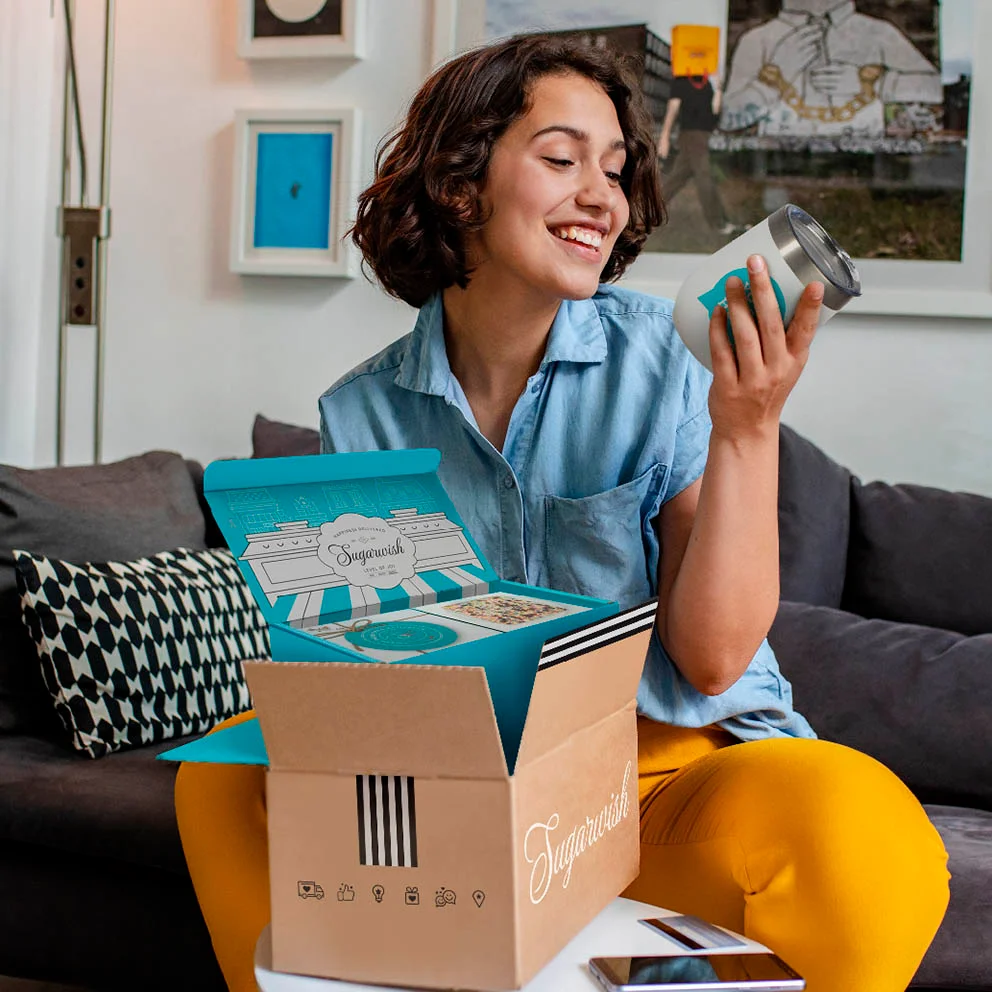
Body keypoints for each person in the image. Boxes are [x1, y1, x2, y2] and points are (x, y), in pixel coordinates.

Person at [175, 34, 949, 992]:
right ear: (461, 184)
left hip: (665, 785)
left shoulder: (668, 362)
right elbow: (375, 679)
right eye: (562, 158)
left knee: (856, 821)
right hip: (475, 799)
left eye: (615, 170)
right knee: (217, 783)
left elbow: (712, 659)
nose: (604, 195)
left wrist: (747, 430)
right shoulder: (363, 411)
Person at [721, 0, 942, 139]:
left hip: (867, 169)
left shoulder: (879, 34)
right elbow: (729, 118)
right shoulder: (757, 41)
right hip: (778, 170)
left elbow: (934, 89)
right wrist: (778, 72)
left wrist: (870, 82)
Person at [657, 72, 735, 236]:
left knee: (676, 179)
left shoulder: (707, 82)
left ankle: (647, 214)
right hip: (691, 135)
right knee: (704, 177)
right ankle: (718, 223)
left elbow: (714, 112)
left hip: (703, 136)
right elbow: (673, 110)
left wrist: (719, 91)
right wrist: (664, 136)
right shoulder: (682, 80)